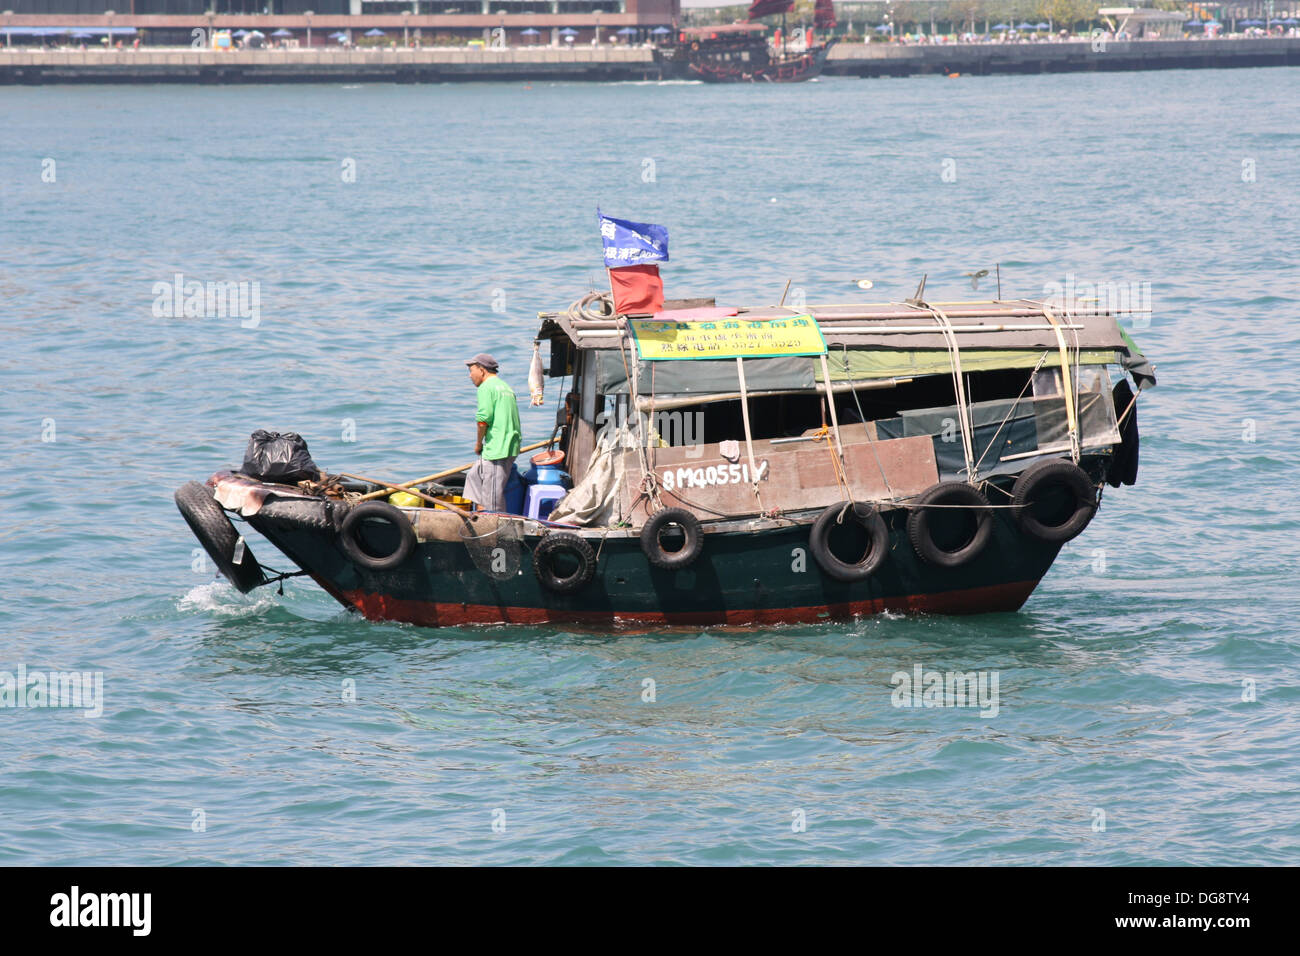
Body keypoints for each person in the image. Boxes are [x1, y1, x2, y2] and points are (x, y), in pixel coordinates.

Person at [463, 353, 521, 512]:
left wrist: (478, 444)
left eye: (471, 370)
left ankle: (493, 526)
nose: (469, 375)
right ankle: (480, 511)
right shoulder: (505, 386)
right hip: (509, 443)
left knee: (492, 498)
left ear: (482, 370)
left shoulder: (486, 387)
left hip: (498, 447)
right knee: (474, 475)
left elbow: (483, 420)